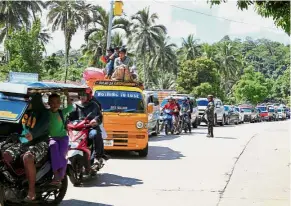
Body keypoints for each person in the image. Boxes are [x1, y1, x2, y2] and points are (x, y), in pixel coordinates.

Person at [17, 94, 49, 202]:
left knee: (28, 157)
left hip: (40, 142)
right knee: (5, 156)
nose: (25, 101)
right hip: (22, 142)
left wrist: (33, 134)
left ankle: (31, 191)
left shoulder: (44, 113)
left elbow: (40, 129)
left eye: (28, 99)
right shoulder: (21, 111)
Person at [69, 88, 109, 173]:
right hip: (78, 128)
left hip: (90, 127)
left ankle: (97, 157)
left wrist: (95, 121)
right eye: (80, 95)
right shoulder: (75, 105)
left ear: (88, 96)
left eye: (84, 95)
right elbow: (70, 116)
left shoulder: (94, 105)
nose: (82, 97)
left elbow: (99, 116)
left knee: (95, 134)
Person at [48, 91, 73, 185]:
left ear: (60, 103)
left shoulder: (62, 112)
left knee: (63, 156)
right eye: (52, 102)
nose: (55, 104)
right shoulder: (47, 113)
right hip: (52, 138)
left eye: (57, 102)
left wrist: (67, 94)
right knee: (53, 145)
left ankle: (60, 176)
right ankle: (55, 173)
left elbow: (71, 107)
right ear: (49, 103)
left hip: (63, 138)